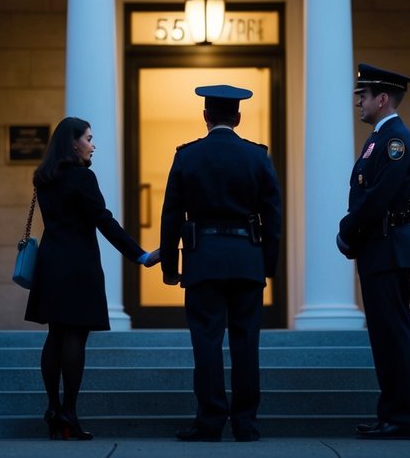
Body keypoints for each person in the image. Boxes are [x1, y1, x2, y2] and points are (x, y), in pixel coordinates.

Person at [160, 84, 283, 443]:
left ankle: (211, 420)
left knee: (207, 342)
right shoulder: (257, 156)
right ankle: (245, 423)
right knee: (246, 342)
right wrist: (268, 266)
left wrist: (170, 266)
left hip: (203, 260)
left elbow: (171, 216)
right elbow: (273, 216)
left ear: (206, 117)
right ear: (238, 118)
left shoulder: (187, 156)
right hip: (247, 260)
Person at [24, 116, 160, 440]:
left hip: (50, 262)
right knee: (74, 338)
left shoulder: (44, 178)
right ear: (74, 142)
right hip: (77, 265)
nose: (93, 144)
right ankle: (69, 411)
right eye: (88, 138)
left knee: (55, 335)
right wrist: (140, 255)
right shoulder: (82, 178)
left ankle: (54, 408)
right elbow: (103, 220)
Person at [336, 63, 410, 440]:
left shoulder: (393, 141)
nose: (358, 102)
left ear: (382, 98)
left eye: (363, 96)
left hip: (387, 247)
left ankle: (400, 419)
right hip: (379, 247)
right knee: (384, 338)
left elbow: (377, 198)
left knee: (392, 336)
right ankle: (391, 415)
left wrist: (346, 230)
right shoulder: (379, 138)